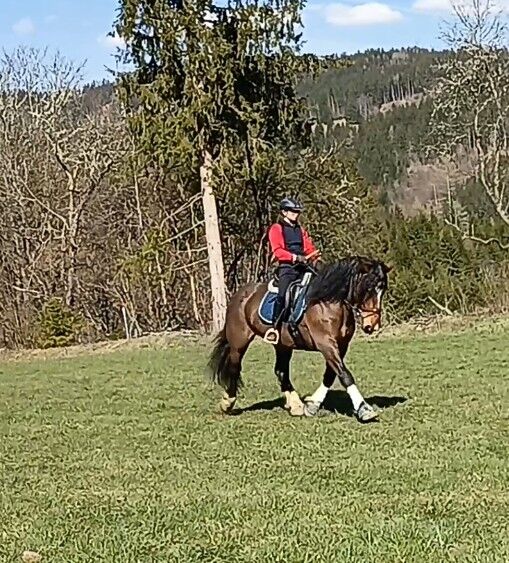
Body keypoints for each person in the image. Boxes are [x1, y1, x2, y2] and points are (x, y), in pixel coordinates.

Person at [264, 197, 321, 344]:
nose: (296, 214)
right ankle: (274, 329)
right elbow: (278, 251)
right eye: (292, 211)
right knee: (283, 295)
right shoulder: (276, 228)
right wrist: (295, 257)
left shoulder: (300, 230)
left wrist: (315, 257)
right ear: (284, 212)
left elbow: (308, 246)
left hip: (303, 266)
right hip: (287, 268)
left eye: (297, 211)